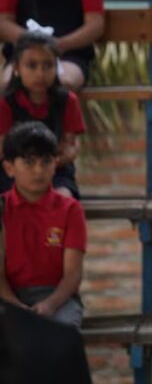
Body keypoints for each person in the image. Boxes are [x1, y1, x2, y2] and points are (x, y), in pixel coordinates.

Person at [0, 122, 86, 328]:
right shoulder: (2, 209)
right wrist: (17, 307)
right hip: (7, 296)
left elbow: (72, 275)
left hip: (58, 298)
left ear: (55, 164)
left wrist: (50, 304)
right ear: (9, 168)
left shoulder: (70, 209)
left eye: (46, 161)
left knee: (62, 332)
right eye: (29, 162)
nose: (38, 170)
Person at [0, 32, 85, 199]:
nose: (40, 73)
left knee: (63, 199)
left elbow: (70, 147)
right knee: (11, 202)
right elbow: (2, 150)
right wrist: (28, 169)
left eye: (48, 65)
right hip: (14, 173)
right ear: (17, 68)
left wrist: (46, 167)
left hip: (56, 171)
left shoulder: (68, 101)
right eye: (32, 66)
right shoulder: (5, 104)